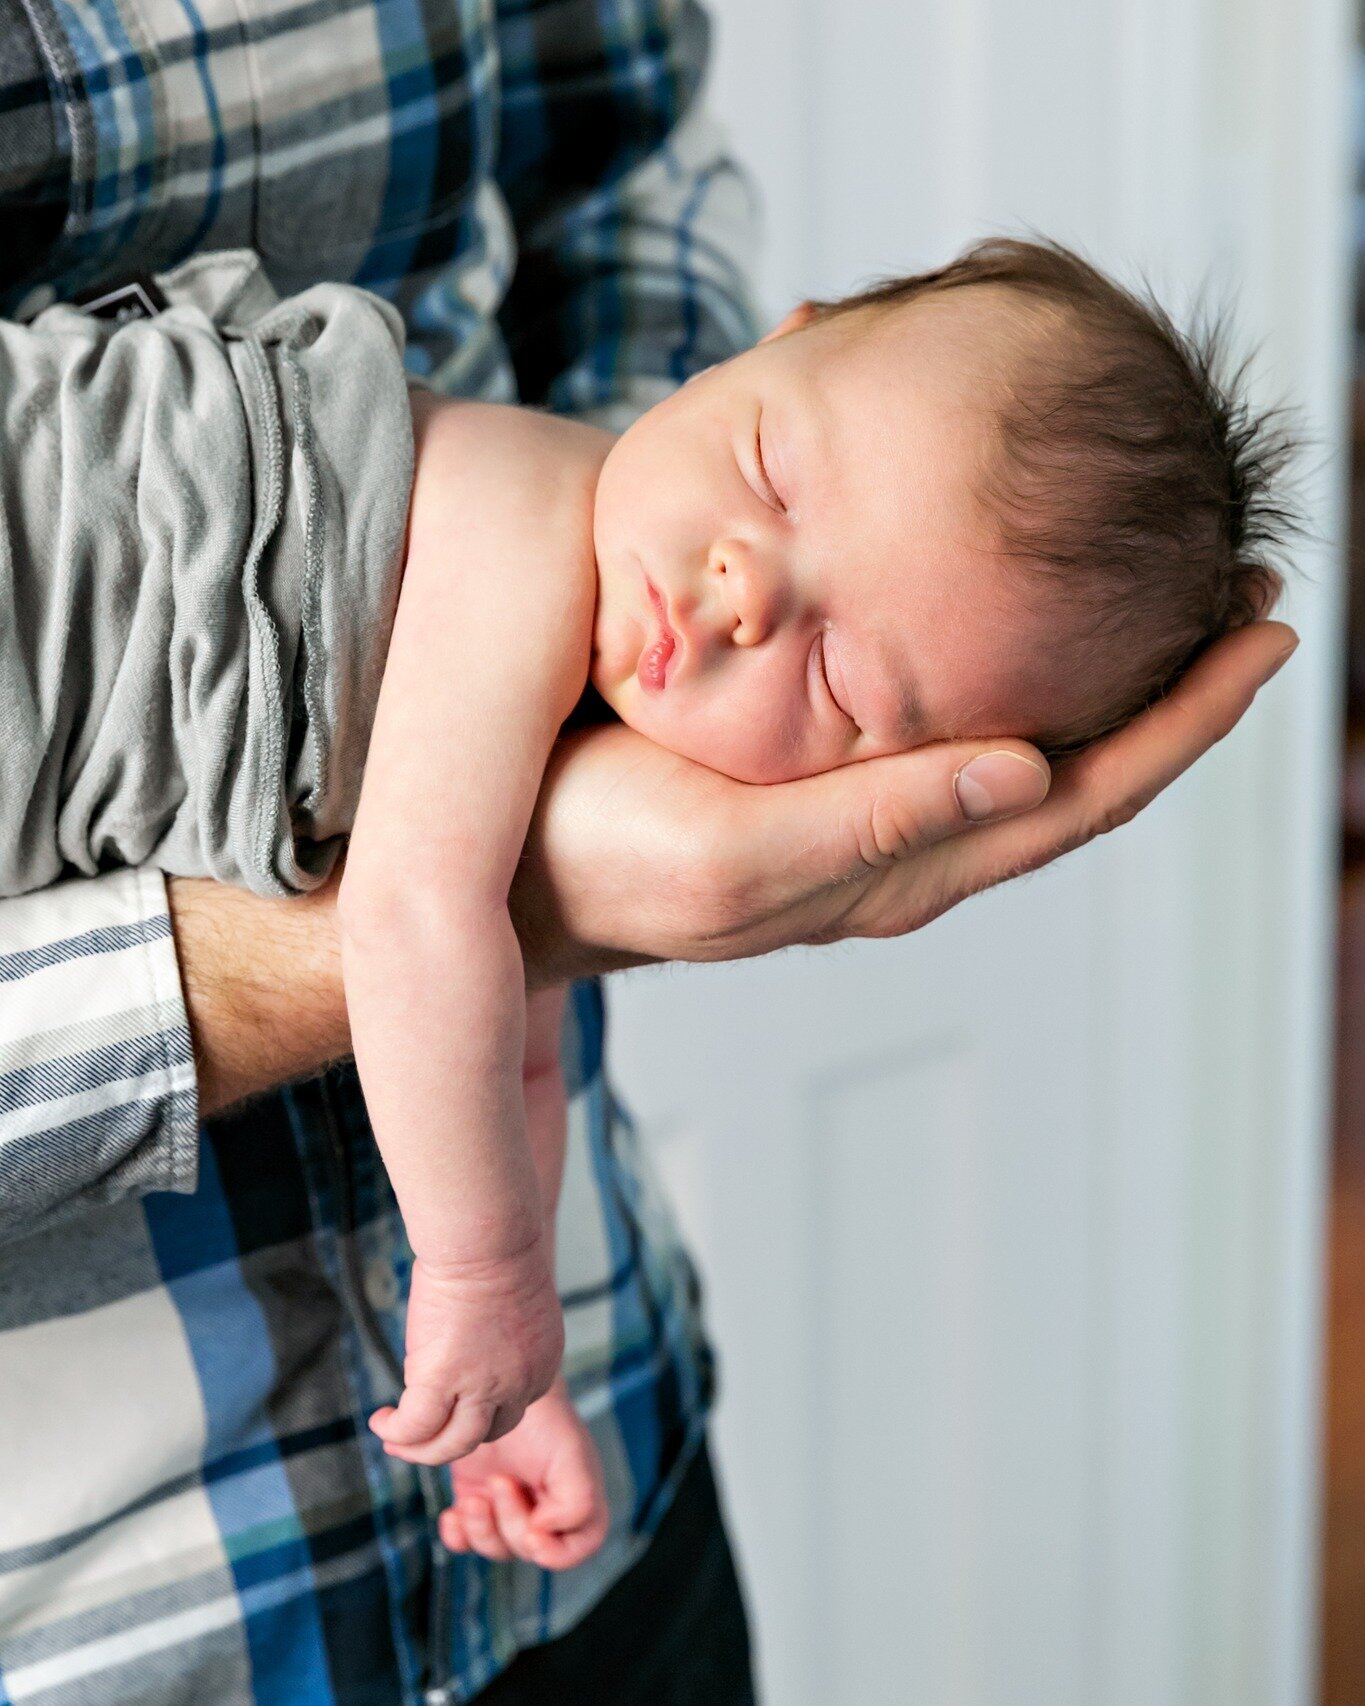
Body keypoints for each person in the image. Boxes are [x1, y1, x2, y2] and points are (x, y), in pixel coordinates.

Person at [0, 5, 1296, 1706]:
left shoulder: (566, 724)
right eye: (768, 462)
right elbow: (415, 922)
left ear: (910, 777)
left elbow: (506, 1046)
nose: (739, 586)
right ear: (780, 335)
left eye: (840, 679)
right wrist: (480, 1275)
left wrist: (511, 1359)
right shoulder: (517, 519)